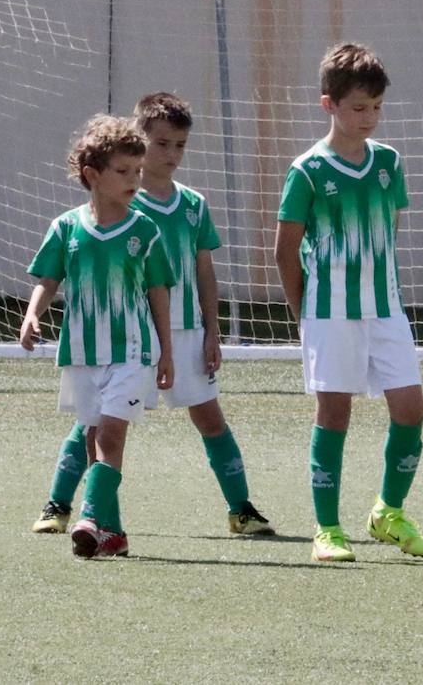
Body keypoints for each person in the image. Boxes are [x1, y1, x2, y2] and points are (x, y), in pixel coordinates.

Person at [274, 42, 423, 563]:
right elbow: (284, 251)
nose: (369, 118)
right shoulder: (306, 171)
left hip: (386, 310)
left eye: (377, 107)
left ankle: (388, 512)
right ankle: (327, 527)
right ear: (330, 106)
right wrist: (305, 312)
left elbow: (387, 232)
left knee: (411, 408)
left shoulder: (389, 164)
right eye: (358, 108)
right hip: (329, 313)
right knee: (334, 413)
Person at [20, 115, 174, 559]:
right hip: (83, 353)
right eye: (123, 172)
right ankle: (114, 532)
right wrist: (33, 314)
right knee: (92, 439)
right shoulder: (67, 228)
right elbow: (48, 278)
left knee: (109, 437)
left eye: (138, 171)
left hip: (132, 352)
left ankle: (87, 517)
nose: (134, 180)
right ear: (92, 175)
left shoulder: (144, 230)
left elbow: (158, 290)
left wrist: (164, 351)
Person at [130, 91, 274, 535]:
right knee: (103, 418)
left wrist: (213, 331)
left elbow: (205, 272)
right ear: (138, 139)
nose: (172, 154)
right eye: (162, 143)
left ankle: (242, 509)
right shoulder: (123, 203)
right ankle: (61, 504)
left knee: (210, 417)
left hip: (190, 332)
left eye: (180, 145)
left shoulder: (192, 203)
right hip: (136, 333)